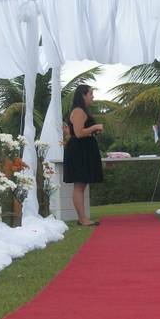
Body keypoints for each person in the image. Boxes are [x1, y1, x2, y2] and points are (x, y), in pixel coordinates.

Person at [63, 84, 104, 226]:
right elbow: (79, 133)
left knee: (81, 184)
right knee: (79, 185)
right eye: (90, 93)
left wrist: (93, 131)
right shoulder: (79, 111)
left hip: (82, 149)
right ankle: (82, 218)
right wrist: (95, 127)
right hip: (79, 150)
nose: (92, 96)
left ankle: (82, 218)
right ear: (83, 95)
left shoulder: (81, 110)